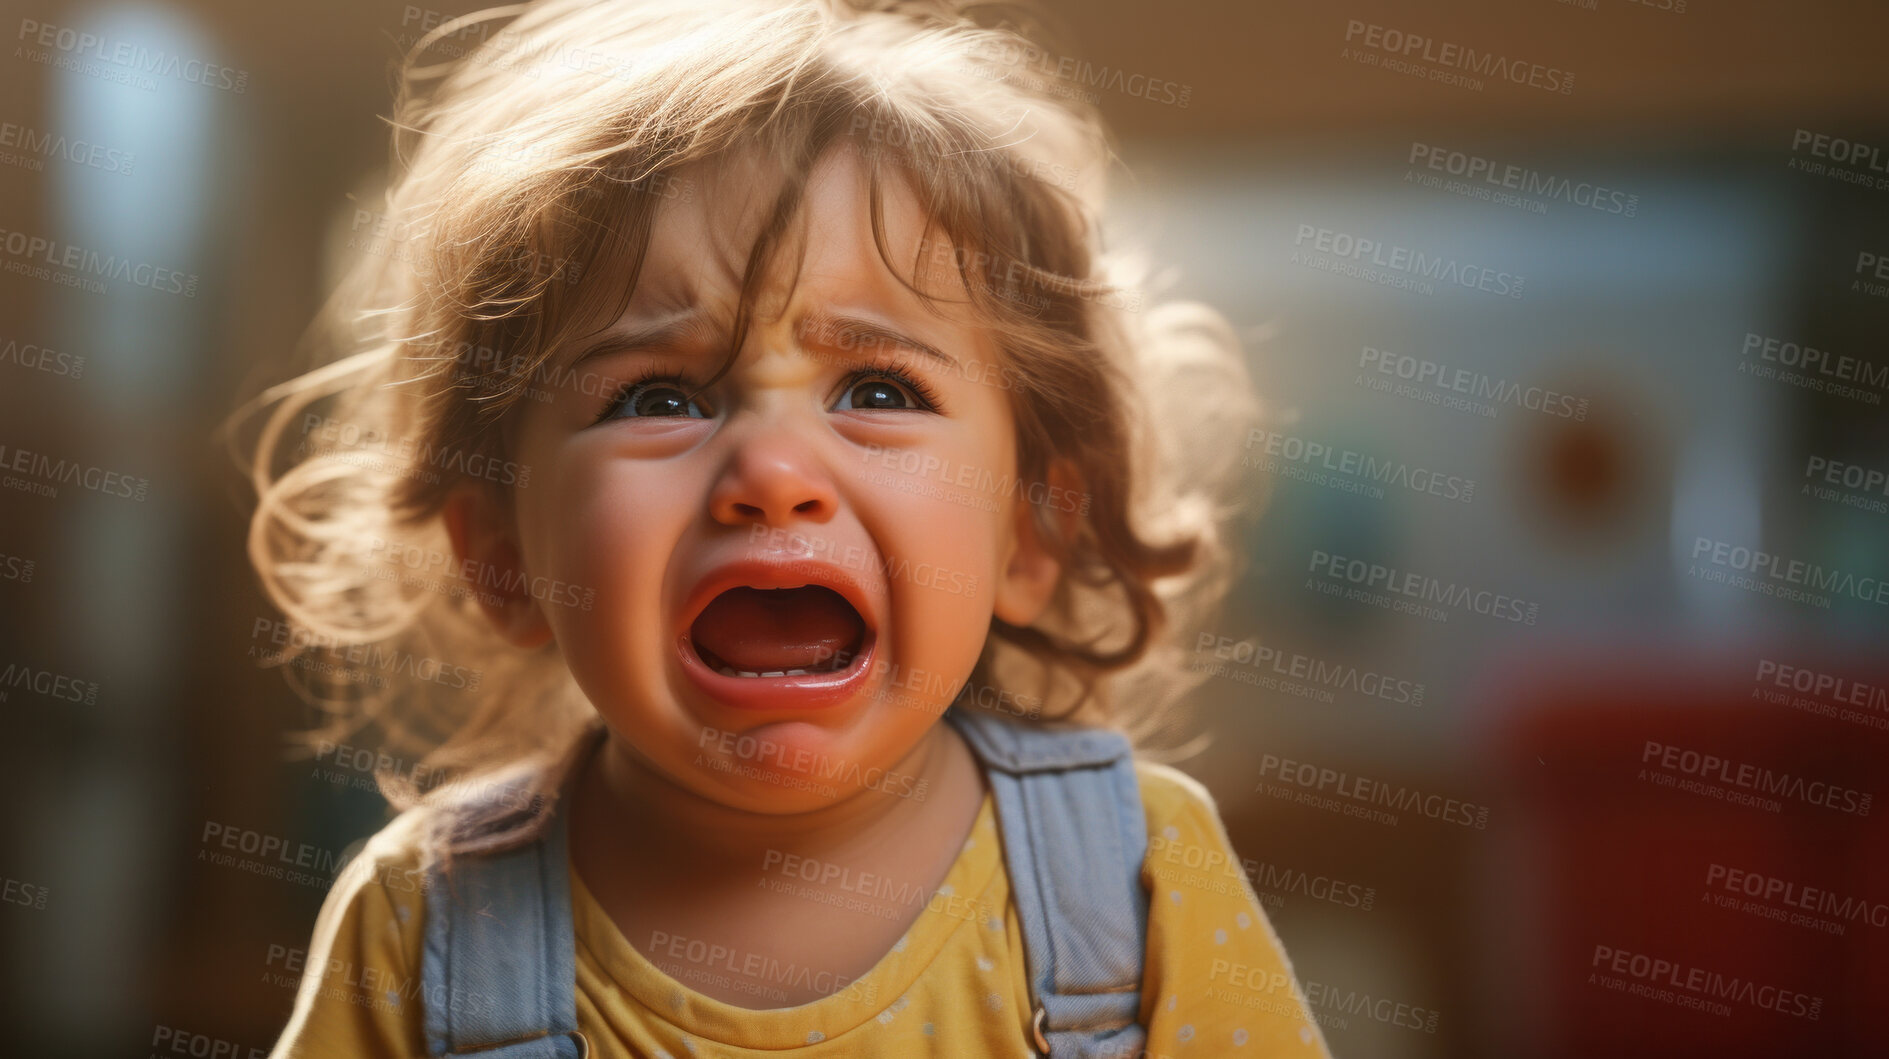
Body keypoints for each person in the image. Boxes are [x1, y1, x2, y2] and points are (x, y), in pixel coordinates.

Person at [248, 1, 1330, 1055]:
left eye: (874, 388)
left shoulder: (1132, 880)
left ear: (1029, 533)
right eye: (658, 399)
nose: (770, 476)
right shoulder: (425, 928)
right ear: (503, 557)